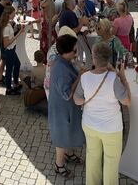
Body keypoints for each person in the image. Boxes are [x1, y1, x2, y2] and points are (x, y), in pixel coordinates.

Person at [74, 42, 131, 185]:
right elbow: (127, 101)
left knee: (93, 157)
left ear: (93, 58)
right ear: (108, 59)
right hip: (111, 128)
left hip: (90, 125)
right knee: (111, 162)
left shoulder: (85, 77)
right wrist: (123, 78)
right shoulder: (114, 79)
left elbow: (77, 100)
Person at [48, 34, 85, 179]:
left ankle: (69, 154)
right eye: (74, 50)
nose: (76, 52)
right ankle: (59, 165)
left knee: (68, 130)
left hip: (66, 108)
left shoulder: (62, 60)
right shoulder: (61, 70)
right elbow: (67, 94)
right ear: (67, 52)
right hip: (61, 109)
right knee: (61, 136)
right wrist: (79, 77)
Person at [0, 5, 26, 95]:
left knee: (17, 64)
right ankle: (9, 89)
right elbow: (6, 43)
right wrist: (19, 33)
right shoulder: (6, 28)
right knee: (9, 70)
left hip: (11, 50)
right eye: (13, 13)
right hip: (9, 51)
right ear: (9, 14)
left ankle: (15, 83)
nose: (15, 15)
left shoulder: (7, 24)